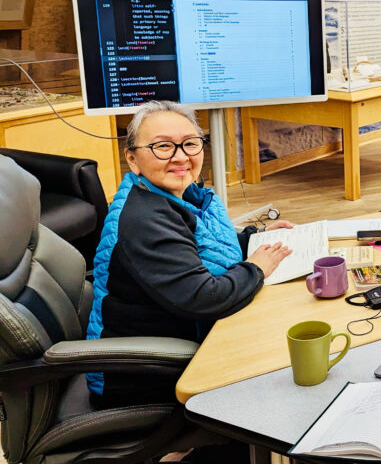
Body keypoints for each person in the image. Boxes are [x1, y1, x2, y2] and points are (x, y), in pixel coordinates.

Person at [86, 101, 294, 406]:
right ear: (132, 159)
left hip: (185, 339)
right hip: (141, 373)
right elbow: (204, 298)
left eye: (190, 143)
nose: (181, 156)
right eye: (163, 147)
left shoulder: (179, 195)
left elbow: (198, 244)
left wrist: (254, 240)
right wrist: (256, 268)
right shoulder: (143, 220)